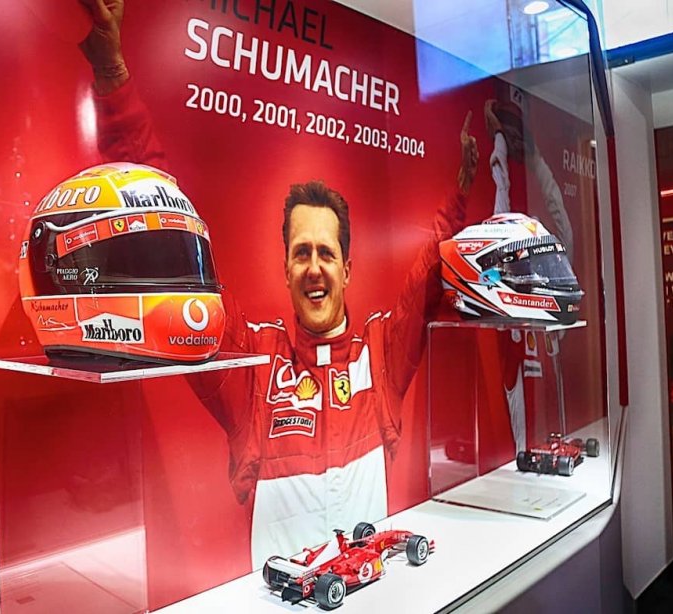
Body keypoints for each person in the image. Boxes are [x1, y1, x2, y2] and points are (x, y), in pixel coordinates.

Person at [78, 0, 480, 567]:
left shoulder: (382, 353)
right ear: (285, 268)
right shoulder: (252, 364)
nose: (314, 267)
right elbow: (168, 231)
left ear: (347, 268)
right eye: (301, 253)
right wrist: (113, 74)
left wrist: (460, 192)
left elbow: (430, 268)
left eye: (326, 253)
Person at [484, 91, 574, 451]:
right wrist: (500, 140)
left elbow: (562, 222)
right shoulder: (508, 307)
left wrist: (535, 159)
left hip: (558, 452)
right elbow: (501, 200)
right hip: (524, 463)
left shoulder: (555, 293)